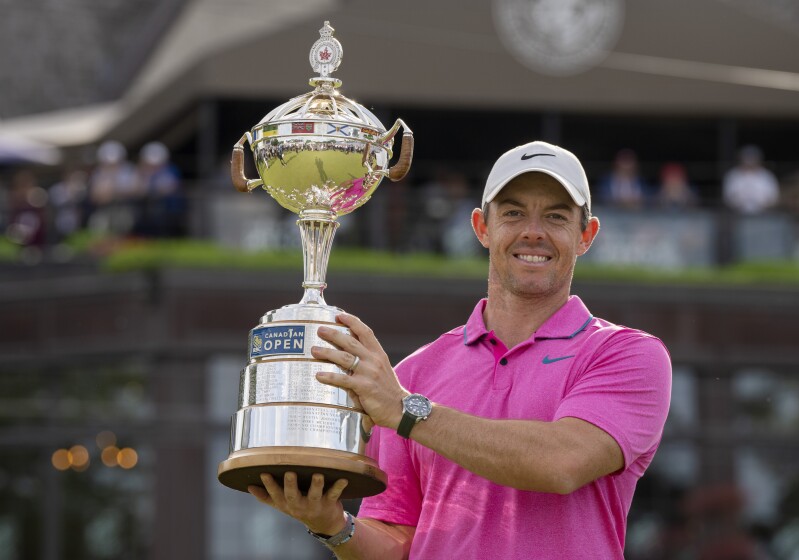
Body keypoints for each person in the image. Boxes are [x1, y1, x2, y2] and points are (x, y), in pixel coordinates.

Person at [247, 141, 673, 559]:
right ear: (482, 228)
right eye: (513, 213)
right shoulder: (414, 374)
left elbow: (563, 462)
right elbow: (397, 542)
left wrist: (407, 412)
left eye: (556, 217)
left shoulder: (627, 354)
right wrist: (333, 526)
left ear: (587, 235)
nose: (533, 231)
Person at [722, 145, 779, 214]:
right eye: (747, 159)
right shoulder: (733, 175)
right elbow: (728, 197)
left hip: (763, 215)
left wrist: (760, 204)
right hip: (738, 215)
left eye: (752, 159)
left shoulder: (767, 176)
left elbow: (773, 198)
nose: (749, 162)